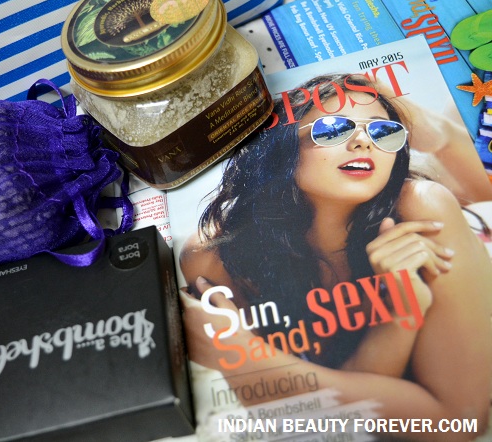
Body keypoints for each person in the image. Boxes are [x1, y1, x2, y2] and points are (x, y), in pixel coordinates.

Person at [178, 73, 492, 441]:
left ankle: (441, 134)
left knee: (469, 166)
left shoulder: (422, 207)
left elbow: (460, 421)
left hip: (479, 232)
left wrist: (245, 358)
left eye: (384, 132)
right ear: (279, 148)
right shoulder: (213, 257)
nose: (364, 141)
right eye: (333, 129)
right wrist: (400, 318)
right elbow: (318, 406)